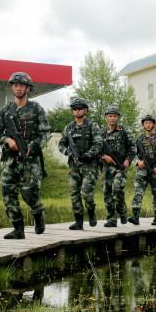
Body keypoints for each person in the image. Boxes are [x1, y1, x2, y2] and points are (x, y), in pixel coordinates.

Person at [0, 72, 50, 239]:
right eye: (15, 85)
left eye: (21, 85)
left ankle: (38, 213)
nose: (18, 88)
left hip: (30, 160)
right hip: (10, 160)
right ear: (12, 87)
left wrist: (32, 146)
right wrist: (7, 140)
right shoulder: (5, 111)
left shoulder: (36, 109)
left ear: (27, 88)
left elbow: (45, 132)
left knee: (29, 192)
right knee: (8, 193)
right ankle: (18, 229)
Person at [58, 98, 103, 230]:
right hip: (74, 166)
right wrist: (67, 152)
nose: (77, 111)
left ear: (85, 110)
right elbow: (61, 144)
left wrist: (87, 155)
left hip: (89, 166)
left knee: (86, 193)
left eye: (80, 108)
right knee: (74, 194)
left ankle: (91, 211)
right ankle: (78, 221)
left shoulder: (92, 126)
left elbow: (98, 143)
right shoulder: (69, 127)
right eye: (75, 109)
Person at [130, 114, 156, 225]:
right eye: (146, 122)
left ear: (153, 124)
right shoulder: (139, 139)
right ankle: (135, 217)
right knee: (138, 192)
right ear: (143, 125)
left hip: (154, 170)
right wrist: (138, 162)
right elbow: (133, 153)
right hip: (142, 171)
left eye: (150, 122)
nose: (148, 124)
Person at [100, 105, 134, 227]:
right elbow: (95, 149)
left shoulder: (124, 131)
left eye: (114, 116)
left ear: (118, 117)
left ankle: (122, 211)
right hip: (106, 168)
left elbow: (132, 147)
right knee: (107, 192)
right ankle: (111, 219)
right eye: (110, 116)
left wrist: (128, 160)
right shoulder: (101, 133)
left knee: (117, 189)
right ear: (106, 118)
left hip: (121, 166)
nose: (112, 118)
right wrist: (104, 157)